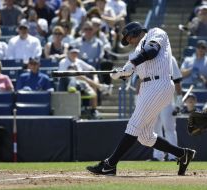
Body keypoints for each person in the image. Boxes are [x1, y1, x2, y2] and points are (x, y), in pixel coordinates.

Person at [86, 22, 196, 176]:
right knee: (145, 137)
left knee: (134, 124)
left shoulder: (155, 32)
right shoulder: (135, 53)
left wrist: (130, 64)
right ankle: (182, 154)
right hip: (147, 87)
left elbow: (151, 51)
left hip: (160, 83)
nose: (129, 41)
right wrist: (118, 73)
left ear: (136, 31)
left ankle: (110, 164)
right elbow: (129, 71)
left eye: (129, 37)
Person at [58, 45, 112, 119]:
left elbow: (92, 69)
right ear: (68, 53)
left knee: (89, 81)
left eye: (76, 53)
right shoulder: (63, 62)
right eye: (72, 52)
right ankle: (101, 87)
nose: (74, 54)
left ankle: (94, 110)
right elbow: (63, 76)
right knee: (76, 74)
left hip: (81, 85)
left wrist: (95, 77)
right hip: (67, 85)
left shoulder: (78, 61)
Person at [152, 56, 184, 161]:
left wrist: (179, 103)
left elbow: (177, 81)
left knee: (169, 129)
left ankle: (173, 156)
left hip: (167, 99)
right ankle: (158, 156)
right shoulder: (149, 58)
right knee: (155, 129)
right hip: (153, 99)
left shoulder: (170, 58)